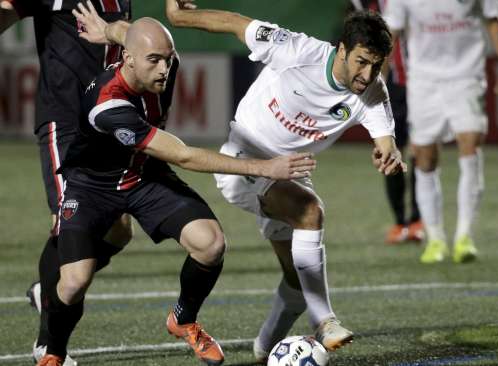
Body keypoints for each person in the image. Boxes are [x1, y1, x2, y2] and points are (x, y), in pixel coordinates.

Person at [36, 5, 316, 365]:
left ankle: (183, 320)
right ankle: (53, 352)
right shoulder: (107, 104)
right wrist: (266, 167)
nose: (164, 69)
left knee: (210, 243)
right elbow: (182, 156)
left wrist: (108, 29)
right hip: (92, 186)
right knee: (74, 282)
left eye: (167, 59)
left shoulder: (155, 61)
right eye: (154, 60)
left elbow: (129, 35)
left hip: (144, 176)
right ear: (129, 61)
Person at [164, 0, 405, 362]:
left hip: (289, 172)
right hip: (244, 160)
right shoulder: (296, 49)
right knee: (310, 212)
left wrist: (390, 154)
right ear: (341, 50)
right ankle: (324, 321)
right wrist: (180, 17)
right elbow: (234, 23)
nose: (367, 75)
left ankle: (265, 350)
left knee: (296, 281)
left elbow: (386, 139)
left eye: (376, 65)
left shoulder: (373, 91)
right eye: (361, 62)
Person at [0, 2, 133, 365]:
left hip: (104, 118)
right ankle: (48, 345)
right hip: (65, 119)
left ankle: (49, 287)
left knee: (119, 230)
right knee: (70, 224)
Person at [383, 0, 498, 264]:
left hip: (467, 77)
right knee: (425, 157)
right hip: (424, 81)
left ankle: (465, 236)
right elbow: (391, 34)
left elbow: (493, 20)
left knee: (471, 143)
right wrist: (378, 78)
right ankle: (435, 239)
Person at [349, 0, 423, 245]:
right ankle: (400, 221)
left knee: (421, 151)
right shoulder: (371, 8)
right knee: (391, 152)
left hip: (424, 82)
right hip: (393, 86)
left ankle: (417, 220)